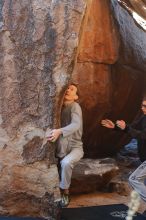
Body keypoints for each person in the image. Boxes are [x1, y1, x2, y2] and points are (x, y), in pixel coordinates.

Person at [101, 97, 146, 203]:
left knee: (134, 179)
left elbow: (143, 135)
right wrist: (115, 127)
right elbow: (132, 127)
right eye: (142, 105)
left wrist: (126, 127)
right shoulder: (144, 117)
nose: (142, 108)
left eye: (145, 106)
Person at [48, 84, 84, 208]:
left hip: (75, 148)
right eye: (67, 88)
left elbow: (76, 125)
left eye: (72, 89)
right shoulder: (59, 107)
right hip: (61, 147)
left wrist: (59, 131)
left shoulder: (75, 106)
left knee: (66, 163)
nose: (68, 90)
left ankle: (65, 192)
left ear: (76, 96)